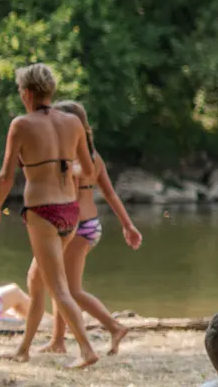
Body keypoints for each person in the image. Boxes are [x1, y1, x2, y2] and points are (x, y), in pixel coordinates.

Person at [0, 63, 100, 367]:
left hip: (42, 212)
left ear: (26, 93)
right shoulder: (73, 122)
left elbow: (5, 176)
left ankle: (87, 350)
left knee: (58, 287)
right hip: (70, 212)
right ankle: (23, 349)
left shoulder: (21, 125)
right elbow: (88, 170)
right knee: (36, 279)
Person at [34, 101, 142, 357]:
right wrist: (128, 225)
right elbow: (111, 195)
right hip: (90, 226)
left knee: (69, 289)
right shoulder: (92, 156)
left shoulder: (68, 158)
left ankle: (113, 326)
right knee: (60, 285)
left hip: (77, 229)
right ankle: (58, 340)